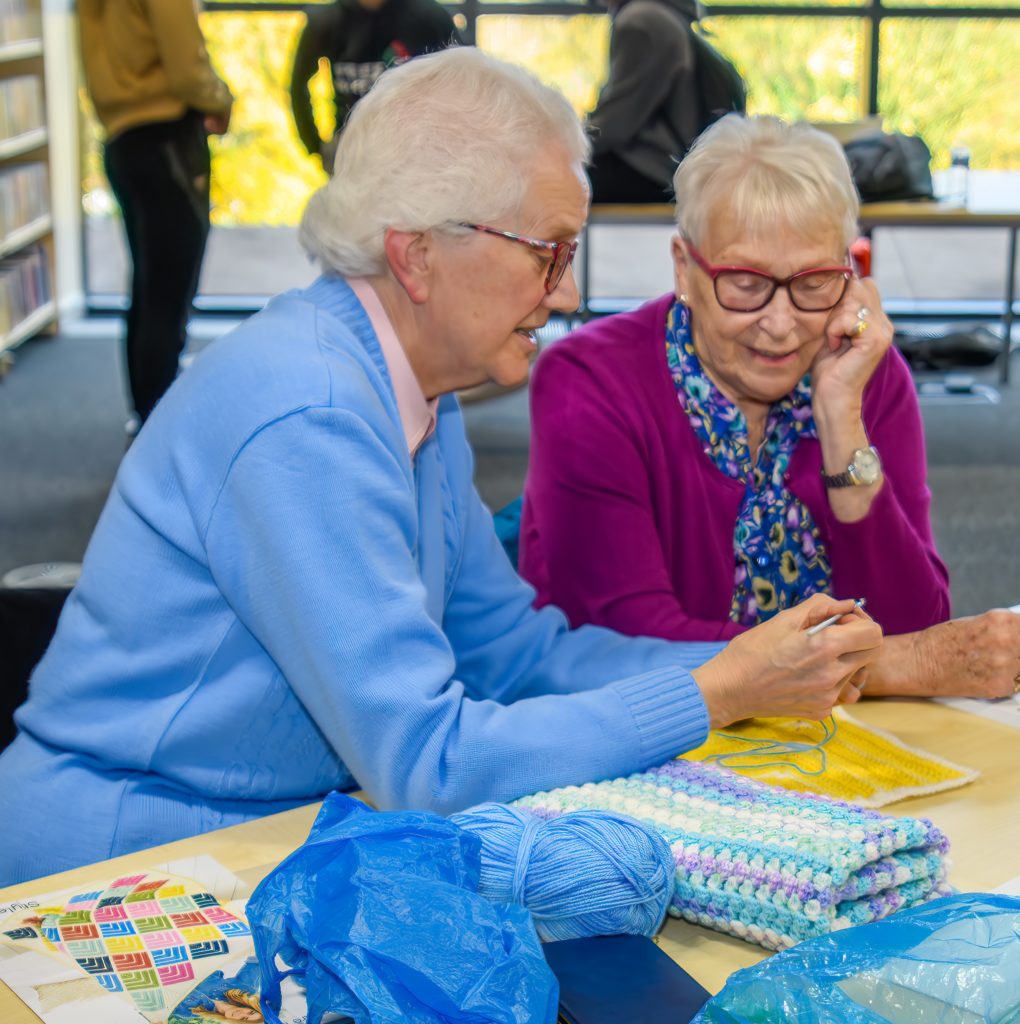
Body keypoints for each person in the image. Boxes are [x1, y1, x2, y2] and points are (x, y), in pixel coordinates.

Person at [0, 53, 881, 886]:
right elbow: (427, 762)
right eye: (549, 253)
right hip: (122, 867)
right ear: (417, 253)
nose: (566, 293)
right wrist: (716, 691)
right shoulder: (313, 410)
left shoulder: (416, 393)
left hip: (251, 834)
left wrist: (759, 662)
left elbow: (518, 656)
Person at [520, 114, 1020, 700]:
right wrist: (888, 666)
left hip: (829, 749)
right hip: (649, 741)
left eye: (812, 282)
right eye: (745, 282)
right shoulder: (591, 382)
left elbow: (915, 620)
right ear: (685, 267)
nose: (780, 325)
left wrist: (841, 423)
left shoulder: (867, 374)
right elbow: (627, 638)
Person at [78, 0, 233, 430]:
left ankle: (146, 415)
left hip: (122, 141)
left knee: (149, 286)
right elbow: (186, 67)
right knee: (169, 289)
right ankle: (160, 426)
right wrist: (220, 99)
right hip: (168, 137)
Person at [290, 0, 460, 175]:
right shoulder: (327, 21)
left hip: (419, 153)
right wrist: (316, 146)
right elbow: (298, 87)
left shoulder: (430, 17)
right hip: (351, 154)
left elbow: (465, 78)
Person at [586, 0, 698, 203]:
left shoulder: (640, 22)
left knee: (556, 177)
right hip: (671, 164)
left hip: (653, 170)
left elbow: (615, 124)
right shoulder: (665, 14)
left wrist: (573, 140)